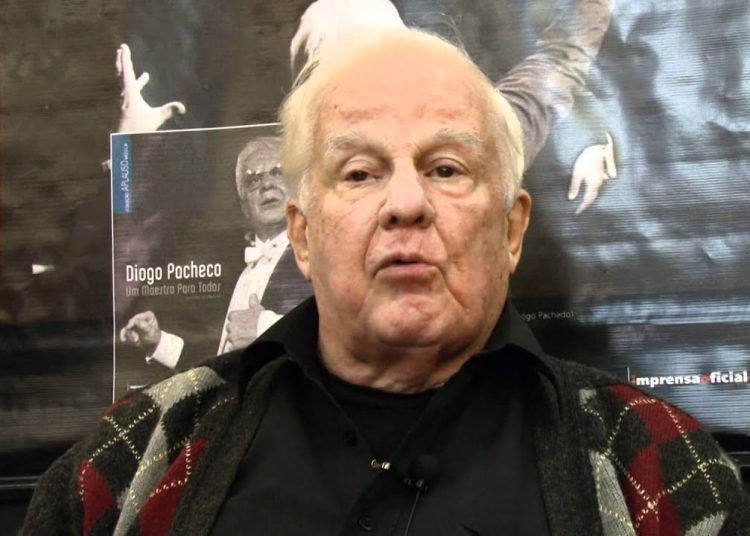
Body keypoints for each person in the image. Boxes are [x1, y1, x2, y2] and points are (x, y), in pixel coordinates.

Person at [21, 28, 749, 535]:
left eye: (446, 168)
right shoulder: (134, 461)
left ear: (511, 229)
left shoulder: (660, 472)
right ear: (302, 235)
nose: (406, 203)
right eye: (361, 172)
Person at [118, 136, 311, 370]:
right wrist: (158, 342)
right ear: (245, 208)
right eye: (253, 180)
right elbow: (219, 365)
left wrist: (264, 328)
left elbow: (339, 338)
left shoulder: (318, 255)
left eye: (277, 173)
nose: (266, 184)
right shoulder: (239, 273)